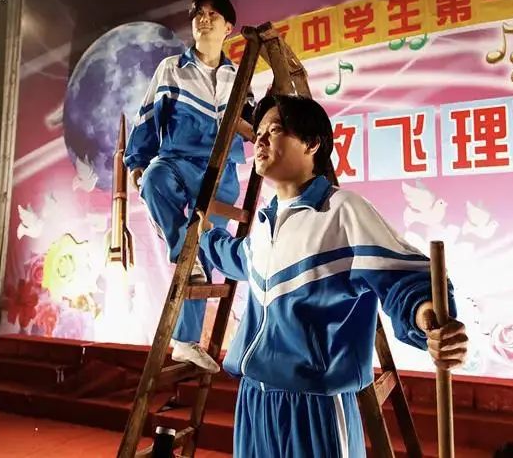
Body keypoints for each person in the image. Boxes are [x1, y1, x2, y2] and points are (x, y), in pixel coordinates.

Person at [195, 94, 469, 457]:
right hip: (254, 401)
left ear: (312, 143)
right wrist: (204, 236)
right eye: (257, 132)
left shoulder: (342, 211)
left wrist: (429, 321)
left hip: (314, 407)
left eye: (273, 130)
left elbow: (404, 280)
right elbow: (235, 258)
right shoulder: (265, 223)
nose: (259, 140)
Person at [125, 0, 254, 373]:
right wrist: (137, 163)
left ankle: (184, 342)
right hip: (177, 161)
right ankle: (186, 248)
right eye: (199, 14)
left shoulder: (238, 76)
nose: (204, 19)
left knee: (201, 247)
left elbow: (250, 124)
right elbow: (148, 117)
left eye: (213, 15)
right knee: (154, 180)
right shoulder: (171, 69)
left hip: (221, 174)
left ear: (228, 27)